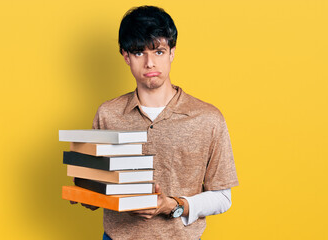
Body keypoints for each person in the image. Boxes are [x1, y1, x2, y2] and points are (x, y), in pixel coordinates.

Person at [74, 5, 239, 240]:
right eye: (139, 52)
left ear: (172, 52)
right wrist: (85, 191)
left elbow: (223, 197)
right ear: (126, 56)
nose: (150, 63)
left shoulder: (208, 118)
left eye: (159, 51)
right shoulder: (107, 115)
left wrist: (172, 205)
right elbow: (91, 192)